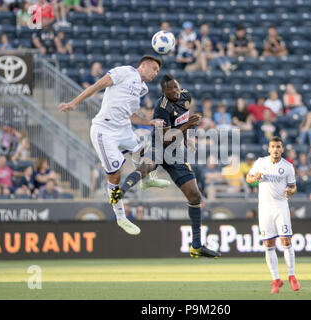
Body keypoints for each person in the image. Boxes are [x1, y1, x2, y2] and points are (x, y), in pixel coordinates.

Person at [109, 74, 221, 258]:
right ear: (164, 92)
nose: (176, 92)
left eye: (177, 87)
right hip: (160, 145)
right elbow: (166, 138)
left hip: (176, 152)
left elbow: (181, 120)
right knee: (146, 166)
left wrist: (186, 138)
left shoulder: (186, 96)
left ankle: (197, 246)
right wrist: (187, 126)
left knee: (195, 195)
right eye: (172, 90)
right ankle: (119, 192)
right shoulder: (161, 109)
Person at [58, 56, 170, 236]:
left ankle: (146, 181)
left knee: (141, 151)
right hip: (104, 130)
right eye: (154, 69)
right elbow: (97, 85)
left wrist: (150, 123)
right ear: (144, 65)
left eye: (158, 71)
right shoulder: (125, 71)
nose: (156, 73)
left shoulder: (142, 88)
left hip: (123, 128)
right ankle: (121, 217)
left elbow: (131, 116)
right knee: (115, 176)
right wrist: (74, 102)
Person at [246, 136, 300, 293]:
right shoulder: (261, 163)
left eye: (278, 147)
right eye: (273, 147)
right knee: (268, 244)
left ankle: (292, 276)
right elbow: (249, 178)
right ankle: (276, 279)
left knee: (286, 240)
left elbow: (293, 187)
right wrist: (254, 178)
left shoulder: (288, 167)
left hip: (281, 206)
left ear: (282, 149)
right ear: (268, 149)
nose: (275, 149)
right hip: (264, 208)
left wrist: (291, 191)